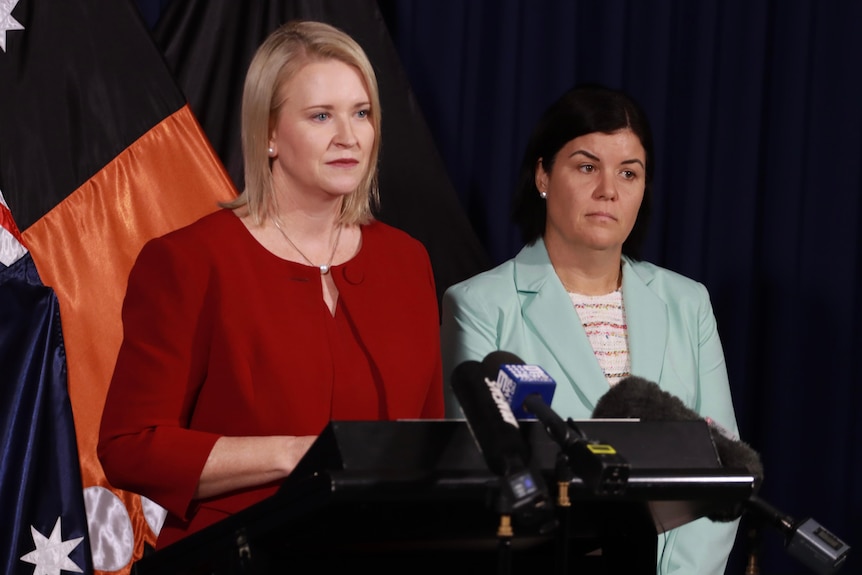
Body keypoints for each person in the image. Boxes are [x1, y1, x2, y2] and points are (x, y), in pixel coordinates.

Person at [98, 20, 444, 549]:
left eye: (362, 113)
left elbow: (425, 439)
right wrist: (301, 454)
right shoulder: (190, 260)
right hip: (238, 551)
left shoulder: (407, 260)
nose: (348, 137)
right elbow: (131, 445)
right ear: (268, 135)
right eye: (321, 116)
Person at [440, 84, 740, 575]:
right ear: (543, 175)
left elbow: (721, 472)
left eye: (629, 172)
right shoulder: (478, 305)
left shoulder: (688, 303)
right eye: (586, 166)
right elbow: (486, 478)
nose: (608, 190)